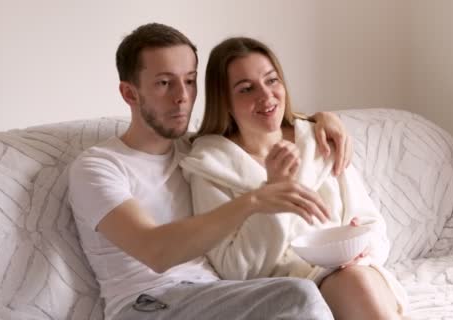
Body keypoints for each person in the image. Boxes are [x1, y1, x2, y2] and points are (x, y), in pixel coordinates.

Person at [68, 23, 353, 320]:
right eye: (164, 83)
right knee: (299, 296)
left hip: (218, 296)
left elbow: (264, 124)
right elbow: (156, 251)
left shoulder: (196, 153)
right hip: (149, 304)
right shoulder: (98, 167)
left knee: (312, 289)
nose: (182, 96)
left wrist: (322, 120)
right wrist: (255, 200)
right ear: (130, 93)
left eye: (189, 81)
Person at [180, 37, 408, 320]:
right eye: (247, 88)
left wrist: (361, 249)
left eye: (272, 80)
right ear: (224, 101)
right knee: (353, 284)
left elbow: (373, 226)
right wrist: (273, 195)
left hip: (358, 275)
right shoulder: (211, 166)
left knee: (357, 280)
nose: (266, 96)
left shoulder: (321, 140)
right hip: (291, 295)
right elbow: (236, 269)